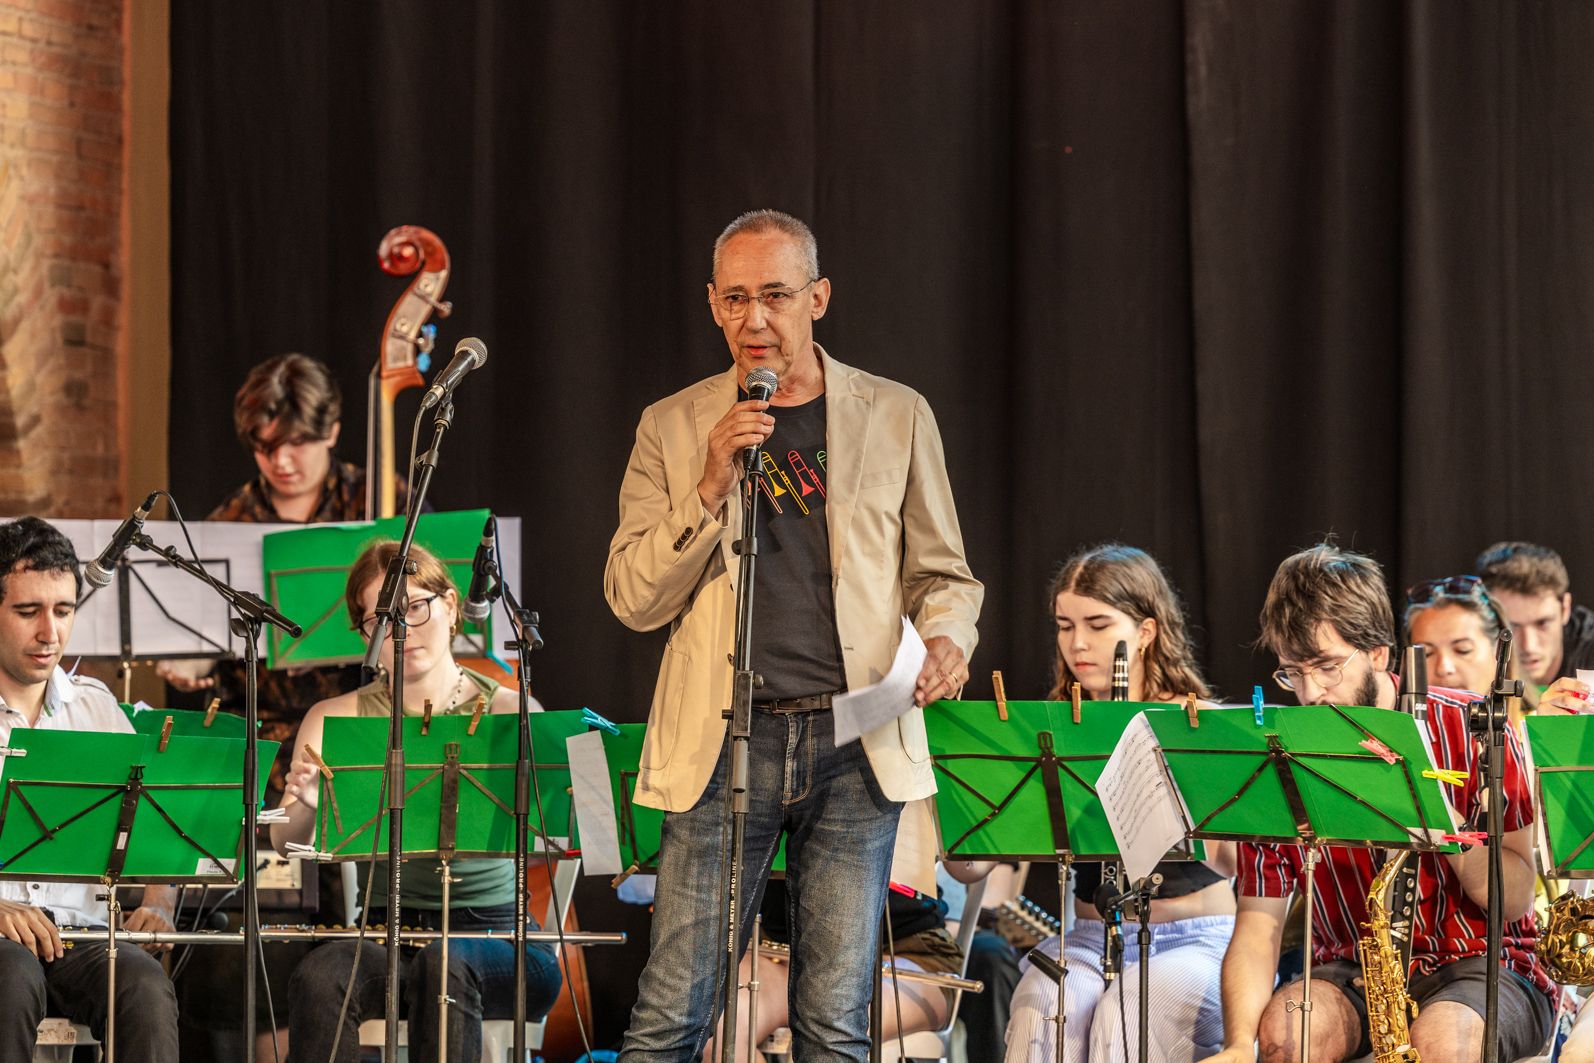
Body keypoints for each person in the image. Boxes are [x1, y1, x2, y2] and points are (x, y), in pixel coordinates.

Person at [605, 208, 983, 1063]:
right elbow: (630, 595)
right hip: (723, 740)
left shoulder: (896, 413)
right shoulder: (671, 425)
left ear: (817, 297)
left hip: (857, 739)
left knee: (834, 1022)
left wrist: (948, 637)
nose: (755, 318)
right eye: (735, 298)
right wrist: (707, 487)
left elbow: (945, 577)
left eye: (775, 294)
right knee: (670, 1015)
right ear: (711, 305)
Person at [1210, 544, 1555, 1063]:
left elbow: (1516, 900)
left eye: (1327, 666)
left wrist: (1434, 815)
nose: (1311, 694)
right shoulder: (1280, 753)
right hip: (1352, 968)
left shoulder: (1477, 729)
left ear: (1378, 653)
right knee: (1287, 1035)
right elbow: (1259, 926)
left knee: (1443, 1043)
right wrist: (1239, 1045)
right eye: (1292, 672)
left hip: (1487, 964)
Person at [271, 539, 562, 1061]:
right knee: (320, 975)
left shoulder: (514, 713)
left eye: (414, 606)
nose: (401, 628)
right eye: (379, 617)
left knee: (444, 963)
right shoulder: (332, 718)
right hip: (386, 932)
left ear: (450, 606)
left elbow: (554, 840)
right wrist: (309, 806)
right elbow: (285, 844)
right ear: (365, 634)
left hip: (501, 937)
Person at [1005, 543, 1235, 1063]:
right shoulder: (1054, 727)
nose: (1078, 643)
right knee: (1042, 1007)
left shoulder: (1199, 723)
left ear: (1146, 632)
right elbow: (971, 870)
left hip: (1193, 937)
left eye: (1098, 624)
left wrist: (1178, 799)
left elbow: (1239, 865)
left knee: (1125, 1017)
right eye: (1065, 625)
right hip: (1088, 935)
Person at [0, 516, 179, 1061]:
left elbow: (156, 833)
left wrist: (158, 901)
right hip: (1, 944)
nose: (49, 633)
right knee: (9, 982)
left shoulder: (97, 707)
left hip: (82, 938)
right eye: (28, 612)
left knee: (146, 986)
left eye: (63, 610)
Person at [1475, 541, 1594, 686]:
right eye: (1511, 627)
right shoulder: (1465, 652)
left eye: (1542, 623)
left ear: (1565, 609)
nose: (1529, 646)